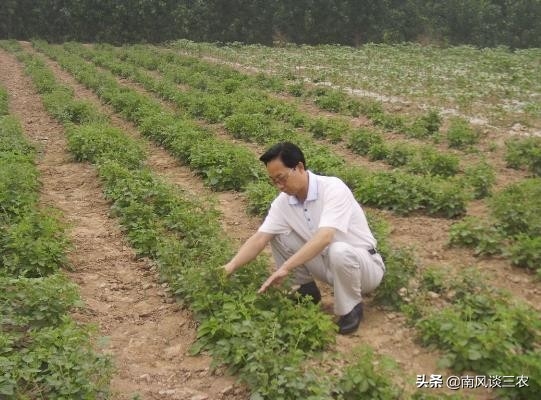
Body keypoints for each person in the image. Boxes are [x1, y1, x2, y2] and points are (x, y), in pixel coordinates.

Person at [222, 142, 385, 334]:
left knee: (338, 250)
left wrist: (285, 268)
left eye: (281, 178)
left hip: (364, 268)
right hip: (329, 266)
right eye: (273, 181)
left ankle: (351, 308)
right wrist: (229, 267)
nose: (279, 186)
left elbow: (325, 237)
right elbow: (259, 238)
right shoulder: (283, 203)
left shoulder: (332, 188)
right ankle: (305, 290)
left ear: (299, 167)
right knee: (278, 235)